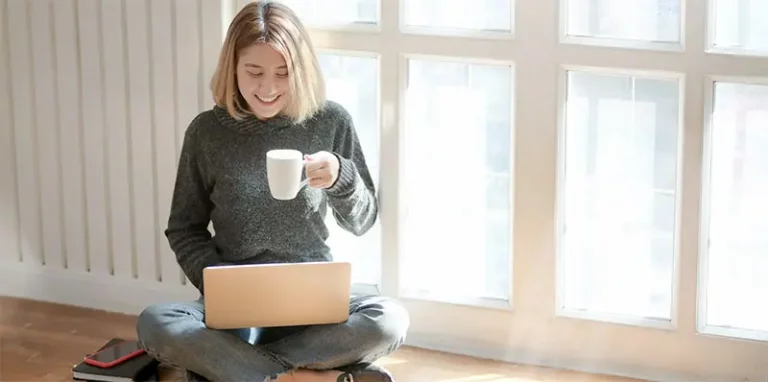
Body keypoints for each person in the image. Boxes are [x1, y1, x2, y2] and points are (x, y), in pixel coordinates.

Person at [134, 1, 410, 381]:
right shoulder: (207, 133)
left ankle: (242, 369)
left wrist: (341, 177)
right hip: (236, 310)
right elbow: (184, 228)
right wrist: (220, 283)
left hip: (314, 301)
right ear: (233, 68)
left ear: (301, 70)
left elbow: (363, 221)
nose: (268, 87)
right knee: (157, 323)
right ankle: (315, 373)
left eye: (283, 73)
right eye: (254, 72)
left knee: (389, 319)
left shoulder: (330, 121)